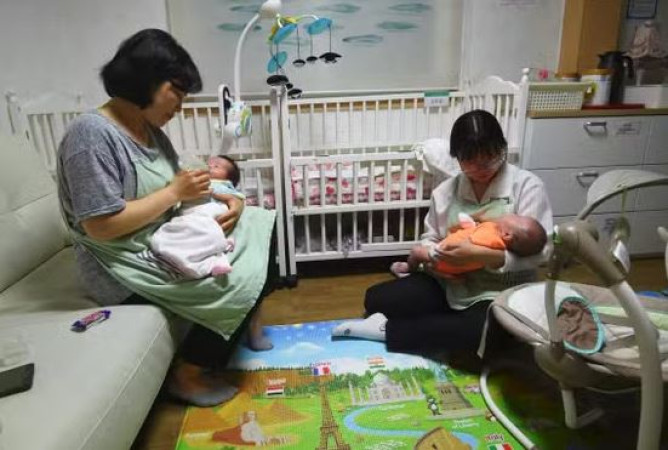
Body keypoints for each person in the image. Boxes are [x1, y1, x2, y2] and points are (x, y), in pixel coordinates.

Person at [57, 29, 276, 407]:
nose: (181, 105)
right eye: (177, 91)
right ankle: (187, 374)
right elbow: (101, 226)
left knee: (261, 227)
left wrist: (232, 201)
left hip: (167, 238)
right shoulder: (90, 135)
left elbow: (185, 186)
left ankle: (230, 330)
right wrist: (174, 193)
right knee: (240, 278)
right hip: (122, 262)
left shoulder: (151, 132)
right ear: (146, 79)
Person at [332, 110, 553, 354]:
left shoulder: (526, 185)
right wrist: (434, 260)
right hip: (451, 282)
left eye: (490, 157)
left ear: (503, 148)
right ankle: (444, 324)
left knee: (484, 332)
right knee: (377, 298)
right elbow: (430, 238)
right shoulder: (446, 191)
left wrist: (485, 256)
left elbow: (543, 252)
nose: (482, 168)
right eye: (470, 161)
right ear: (456, 158)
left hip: (503, 290)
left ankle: (390, 330)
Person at [149, 156, 245, 278]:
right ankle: (218, 251)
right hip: (191, 213)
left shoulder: (223, 185)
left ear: (228, 178)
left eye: (216, 166)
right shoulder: (194, 180)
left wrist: (235, 200)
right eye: (208, 164)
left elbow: (237, 198)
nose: (210, 167)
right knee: (176, 231)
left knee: (199, 228)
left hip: (208, 212)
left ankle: (207, 264)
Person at [390, 213, 547, 277]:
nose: (514, 214)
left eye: (517, 217)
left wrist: (438, 251)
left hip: (443, 255)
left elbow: (469, 244)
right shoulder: (496, 234)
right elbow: (475, 231)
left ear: (507, 235)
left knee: (417, 251)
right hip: (456, 267)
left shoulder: (492, 238)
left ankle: (409, 268)